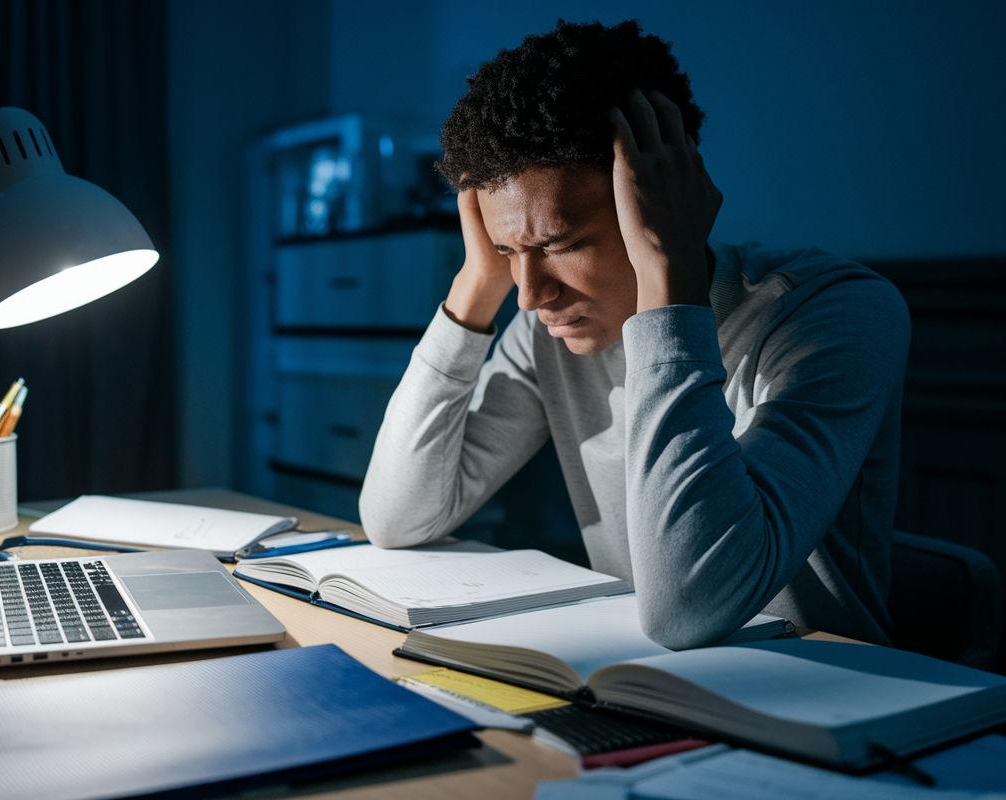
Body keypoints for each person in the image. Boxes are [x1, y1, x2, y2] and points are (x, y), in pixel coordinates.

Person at [357, 20, 909, 650]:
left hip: (828, 700)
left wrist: (668, 278)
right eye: (507, 250)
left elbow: (691, 607)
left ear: (662, 198)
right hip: (645, 684)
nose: (532, 294)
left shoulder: (835, 312)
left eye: (560, 244)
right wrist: (476, 284)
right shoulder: (547, 328)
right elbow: (397, 519)